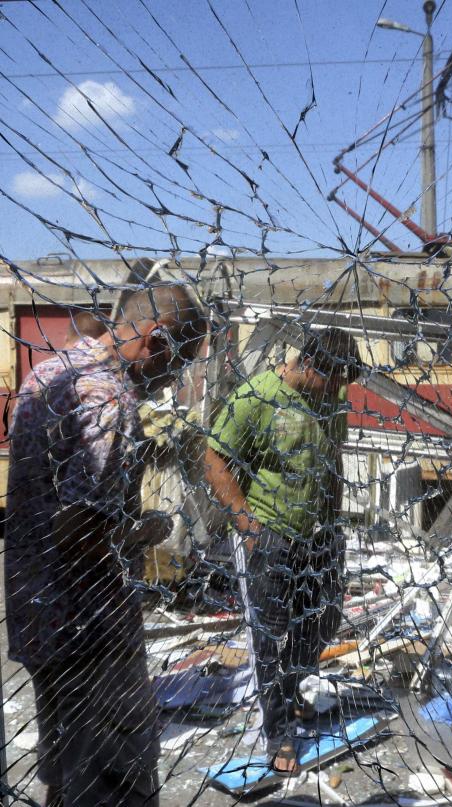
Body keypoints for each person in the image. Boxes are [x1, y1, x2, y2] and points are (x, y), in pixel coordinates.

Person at [5, 284, 206, 807]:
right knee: (115, 780)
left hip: (37, 613)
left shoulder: (49, 372)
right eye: (178, 362)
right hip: (88, 631)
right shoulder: (110, 400)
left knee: (66, 769)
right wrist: (145, 531)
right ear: (156, 342)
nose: (173, 379)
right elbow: (77, 530)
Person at [204, 327, 362, 776]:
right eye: (332, 379)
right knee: (270, 638)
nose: (337, 390)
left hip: (321, 537)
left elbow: (331, 460)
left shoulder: (332, 398)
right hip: (272, 535)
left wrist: (334, 527)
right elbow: (214, 457)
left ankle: (292, 693)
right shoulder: (257, 397)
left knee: (323, 619)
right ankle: (279, 733)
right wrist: (247, 526)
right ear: (308, 365)